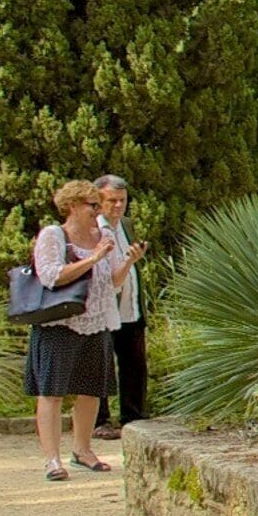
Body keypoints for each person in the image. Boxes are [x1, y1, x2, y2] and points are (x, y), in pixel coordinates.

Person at [27, 181, 126, 481]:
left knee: (91, 390)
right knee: (51, 392)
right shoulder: (54, 235)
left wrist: (129, 261)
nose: (98, 211)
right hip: (61, 323)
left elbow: (112, 281)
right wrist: (92, 257)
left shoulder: (103, 234)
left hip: (96, 322)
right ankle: (52, 460)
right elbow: (51, 276)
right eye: (92, 205)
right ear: (71, 206)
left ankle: (83, 450)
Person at [96, 175, 148, 433]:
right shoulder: (94, 228)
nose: (118, 206)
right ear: (99, 201)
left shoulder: (125, 225)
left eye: (122, 200)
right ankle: (100, 420)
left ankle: (133, 416)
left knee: (134, 362)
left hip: (130, 305)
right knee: (102, 364)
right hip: (104, 307)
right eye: (112, 201)